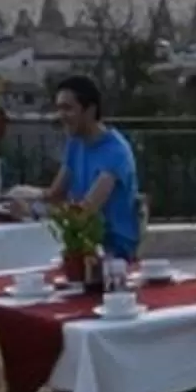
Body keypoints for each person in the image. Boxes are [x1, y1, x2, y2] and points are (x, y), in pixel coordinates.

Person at [47, 75, 141, 258]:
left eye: (67, 108)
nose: (61, 116)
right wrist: (23, 197)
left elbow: (86, 211)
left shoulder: (116, 152)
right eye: (59, 108)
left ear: (90, 110)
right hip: (80, 239)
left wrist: (38, 209)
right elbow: (55, 194)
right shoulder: (75, 143)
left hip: (111, 249)